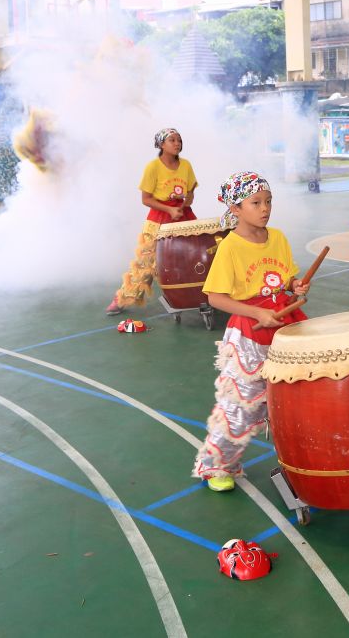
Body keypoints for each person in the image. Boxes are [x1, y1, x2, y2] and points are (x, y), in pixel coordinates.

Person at [193, 172, 309, 492]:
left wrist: (296, 285)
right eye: (255, 203)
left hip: (285, 325)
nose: (265, 208)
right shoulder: (230, 247)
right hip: (249, 332)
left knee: (294, 398)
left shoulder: (278, 238)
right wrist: (257, 311)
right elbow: (215, 298)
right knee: (241, 406)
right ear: (236, 208)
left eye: (268, 201)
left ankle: (304, 461)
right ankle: (217, 465)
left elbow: (285, 280)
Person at [105, 128, 198, 315]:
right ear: (161, 144)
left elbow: (190, 194)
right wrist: (169, 209)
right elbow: (146, 199)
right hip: (160, 218)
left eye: (179, 140)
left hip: (183, 216)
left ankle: (198, 296)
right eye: (172, 140)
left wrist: (183, 204)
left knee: (193, 257)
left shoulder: (186, 165)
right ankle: (123, 298)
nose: (177, 143)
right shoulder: (153, 167)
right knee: (146, 263)